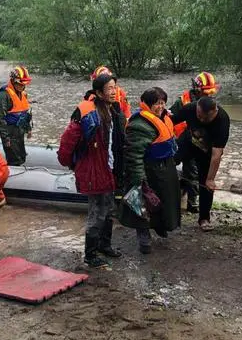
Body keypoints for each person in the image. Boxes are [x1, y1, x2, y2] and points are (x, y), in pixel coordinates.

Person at [57, 73, 126, 268]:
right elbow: (68, 139)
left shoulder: (113, 110)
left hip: (110, 167)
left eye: (115, 87)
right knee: (97, 212)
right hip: (94, 168)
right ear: (98, 92)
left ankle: (105, 245)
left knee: (109, 208)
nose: (114, 91)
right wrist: (67, 162)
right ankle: (90, 253)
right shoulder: (87, 112)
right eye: (109, 88)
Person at [119, 87, 181, 254]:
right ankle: (143, 236)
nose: (160, 106)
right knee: (143, 204)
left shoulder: (164, 118)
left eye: (162, 103)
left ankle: (160, 226)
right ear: (146, 104)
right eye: (156, 103)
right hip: (147, 170)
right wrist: (140, 179)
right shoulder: (139, 124)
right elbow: (134, 154)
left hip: (164, 168)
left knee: (164, 201)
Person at [170, 96, 230, 231]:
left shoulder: (222, 120)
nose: (201, 120)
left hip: (207, 151)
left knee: (206, 184)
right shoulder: (190, 108)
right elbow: (169, 121)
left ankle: (204, 218)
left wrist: (211, 179)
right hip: (188, 142)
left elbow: (217, 154)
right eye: (199, 116)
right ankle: (164, 207)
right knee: (168, 163)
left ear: (215, 111)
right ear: (196, 108)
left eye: (205, 118)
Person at [172, 72, 220, 213]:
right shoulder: (183, 101)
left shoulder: (210, 104)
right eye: (206, 92)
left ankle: (193, 201)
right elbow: (171, 118)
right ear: (197, 89)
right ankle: (187, 200)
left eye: (211, 92)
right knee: (180, 166)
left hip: (201, 142)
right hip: (182, 141)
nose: (209, 95)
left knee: (196, 171)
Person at [0, 65, 33, 166]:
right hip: (10, 133)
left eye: (24, 84)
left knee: (21, 157)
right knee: (14, 160)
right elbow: (0, 118)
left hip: (19, 132)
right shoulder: (4, 95)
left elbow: (25, 114)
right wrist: (5, 138)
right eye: (20, 84)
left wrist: (28, 129)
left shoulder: (23, 94)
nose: (22, 86)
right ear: (14, 81)